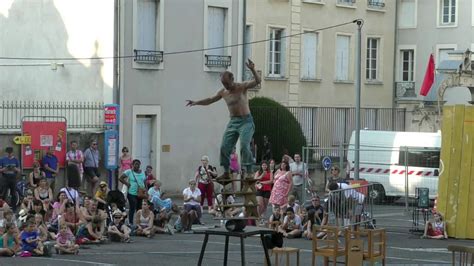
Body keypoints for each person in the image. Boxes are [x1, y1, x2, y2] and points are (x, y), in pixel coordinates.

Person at [186, 59, 261, 181]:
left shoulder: (241, 87)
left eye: (227, 83)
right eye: (223, 84)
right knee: (224, 147)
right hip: (233, 122)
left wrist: (252, 69)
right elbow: (210, 99)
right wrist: (195, 102)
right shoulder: (223, 92)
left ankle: (249, 171)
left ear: (232, 79)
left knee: (244, 146)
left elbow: (257, 81)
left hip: (246, 121)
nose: (226, 86)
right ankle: (226, 171)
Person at [119, 159, 146, 224]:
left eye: (138, 164)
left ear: (140, 165)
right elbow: (120, 178)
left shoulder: (142, 172)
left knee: (139, 208)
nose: (137, 165)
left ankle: (138, 223)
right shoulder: (129, 172)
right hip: (131, 193)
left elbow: (144, 182)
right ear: (132, 165)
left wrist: (146, 191)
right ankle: (131, 222)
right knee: (133, 205)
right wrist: (127, 183)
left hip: (140, 193)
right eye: (135, 164)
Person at [0, 147, 20, 212]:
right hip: (5, 177)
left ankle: (14, 208)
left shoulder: (16, 160)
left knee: (13, 193)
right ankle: (1, 207)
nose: (9, 154)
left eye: (10, 153)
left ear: (12, 152)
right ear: (6, 152)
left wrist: (14, 168)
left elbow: (19, 170)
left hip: (13, 177)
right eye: (8, 153)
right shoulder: (2, 159)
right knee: (3, 193)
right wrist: (4, 169)